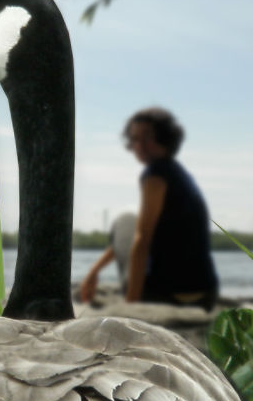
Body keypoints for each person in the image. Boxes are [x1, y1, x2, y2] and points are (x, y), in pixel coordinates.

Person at [79, 107, 218, 311]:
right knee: (132, 222)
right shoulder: (178, 173)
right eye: (134, 139)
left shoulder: (155, 175)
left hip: (168, 296)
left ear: (165, 138)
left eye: (147, 137)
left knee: (125, 220)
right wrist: (95, 271)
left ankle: (134, 297)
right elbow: (140, 236)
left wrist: (132, 307)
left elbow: (141, 239)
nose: (140, 146)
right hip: (205, 294)